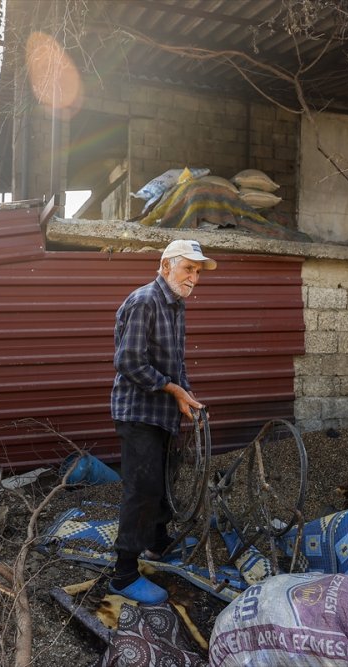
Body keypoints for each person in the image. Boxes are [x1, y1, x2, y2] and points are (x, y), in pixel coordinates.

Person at [108, 239, 217, 604]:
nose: (194, 278)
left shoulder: (176, 305)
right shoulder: (144, 302)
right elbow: (129, 363)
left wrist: (185, 395)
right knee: (142, 489)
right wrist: (172, 389)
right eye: (188, 268)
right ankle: (123, 575)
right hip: (138, 411)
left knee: (164, 479)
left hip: (164, 412)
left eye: (198, 272)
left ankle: (155, 544)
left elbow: (176, 362)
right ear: (166, 265)